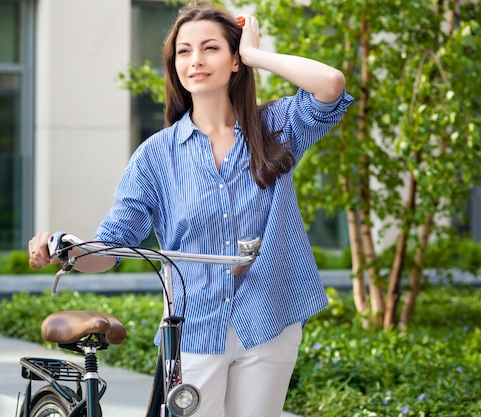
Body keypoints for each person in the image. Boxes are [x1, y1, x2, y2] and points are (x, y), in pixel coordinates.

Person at [29, 1, 354, 416]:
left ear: (234, 60)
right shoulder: (156, 157)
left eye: (211, 48)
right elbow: (111, 248)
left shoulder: (276, 126)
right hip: (194, 326)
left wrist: (255, 55)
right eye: (184, 51)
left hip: (270, 315)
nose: (195, 61)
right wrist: (68, 250)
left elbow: (331, 84)